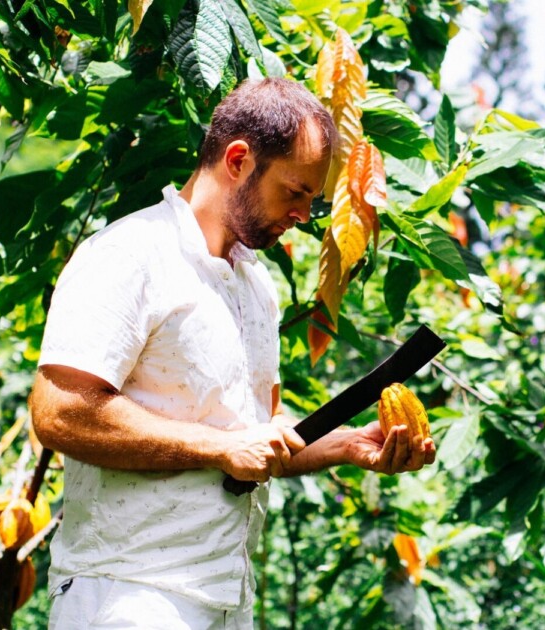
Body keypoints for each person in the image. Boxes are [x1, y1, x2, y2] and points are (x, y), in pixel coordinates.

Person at [29, 77, 436, 630]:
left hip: (226, 597)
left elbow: (257, 438)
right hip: (127, 593)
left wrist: (345, 445)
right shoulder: (130, 254)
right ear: (239, 159)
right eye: (295, 192)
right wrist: (219, 447)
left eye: (312, 201)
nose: (302, 214)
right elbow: (59, 412)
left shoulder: (256, 287)